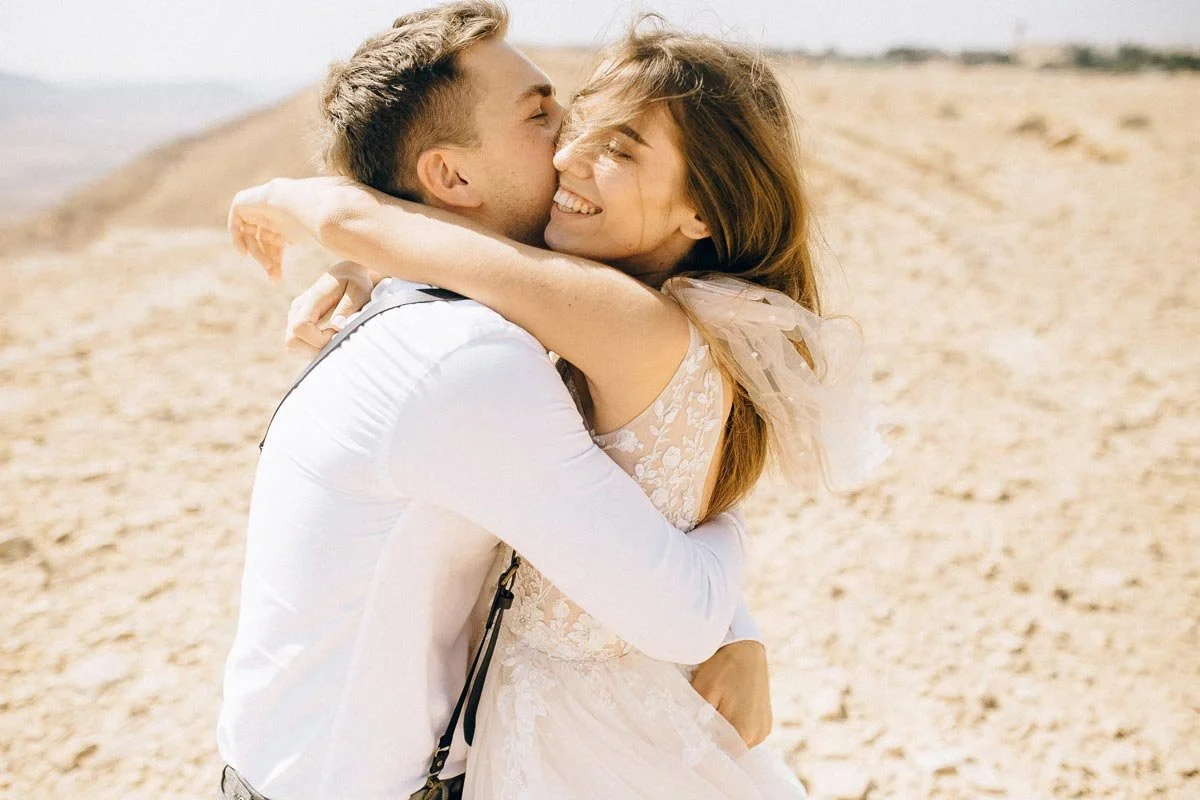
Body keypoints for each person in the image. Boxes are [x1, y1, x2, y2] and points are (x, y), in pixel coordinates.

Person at [231, 10, 890, 799]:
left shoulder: (565, 327)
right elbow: (638, 514)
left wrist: (729, 601)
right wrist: (364, 266)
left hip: (544, 735)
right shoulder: (471, 352)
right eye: (548, 118)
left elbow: (642, 538)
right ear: (451, 179)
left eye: (604, 139)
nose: (567, 151)